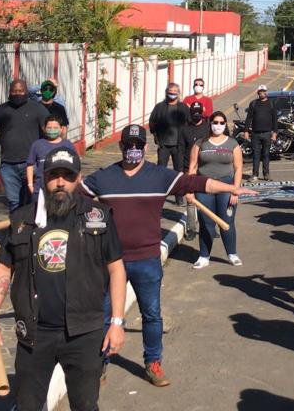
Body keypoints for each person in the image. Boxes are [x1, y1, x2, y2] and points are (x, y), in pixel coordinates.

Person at [79, 124, 254, 387]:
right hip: (112, 261)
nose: (133, 150)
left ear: (145, 148)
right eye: (129, 145)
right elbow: (74, 194)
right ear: (121, 147)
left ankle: (153, 363)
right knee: (104, 315)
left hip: (147, 259)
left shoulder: (159, 176)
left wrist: (230, 189)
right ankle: (100, 364)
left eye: (138, 146)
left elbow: (197, 182)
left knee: (152, 315)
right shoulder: (104, 178)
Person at [0, 148, 126, 411]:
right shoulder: (23, 220)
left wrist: (116, 322)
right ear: (43, 178)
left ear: (78, 178)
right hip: (35, 333)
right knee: (27, 405)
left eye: (67, 176)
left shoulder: (99, 217)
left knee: (85, 405)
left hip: (83, 332)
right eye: (54, 175)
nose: (60, 182)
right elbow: (3, 271)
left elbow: (116, 269)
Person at [0, 79, 50, 211]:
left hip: (31, 164)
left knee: (32, 199)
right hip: (8, 165)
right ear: (9, 92)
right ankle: (16, 223)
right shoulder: (1, 110)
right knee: (14, 201)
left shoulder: (38, 109)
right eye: (14, 91)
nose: (18, 94)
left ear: (26, 91)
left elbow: (49, 131)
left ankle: (30, 223)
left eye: (21, 91)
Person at [188, 110, 246, 268]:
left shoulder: (232, 144)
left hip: (226, 187)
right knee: (206, 223)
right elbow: (192, 167)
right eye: (215, 122)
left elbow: (238, 168)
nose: (218, 125)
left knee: (227, 221)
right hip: (204, 187)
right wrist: (189, 189)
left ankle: (232, 254)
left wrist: (235, 189)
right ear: (210, 124)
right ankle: (204, 256)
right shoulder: (200, 144)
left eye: (221, 123)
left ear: (225, 124)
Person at [179, 101, 212, 241]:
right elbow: (180, 151)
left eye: (199, 112)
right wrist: (181, 171)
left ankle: (210, 228)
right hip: (189, 169)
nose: (196, 115)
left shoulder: (208, 128)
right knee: (191, 201)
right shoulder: (184, 130)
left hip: (206, 168)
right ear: (190, 114)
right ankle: (192, 228)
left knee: (208, 200)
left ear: (202, 114)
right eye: (194, 113)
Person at [25, 116, 76, 198]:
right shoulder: (37, 145)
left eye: (55, 128)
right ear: (44, 129)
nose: (52, 130)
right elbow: (30, 165)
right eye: (49, 128)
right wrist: (30, 185)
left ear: (61, 129)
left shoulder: (68, 145)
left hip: (61, 190)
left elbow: (76, 166)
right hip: (40, 190)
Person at [148, 82, 191, 172]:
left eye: (175, 91)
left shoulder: (183, 107)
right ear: (166, 92)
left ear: (178, 93)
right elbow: (152, 122)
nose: (173, 93)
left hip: (178, 146)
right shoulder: (159, 107)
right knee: (161, 169)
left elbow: (189, 122)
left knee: (179, 170)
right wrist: (156, 137)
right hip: (163, 145)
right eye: (170, 91)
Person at [244, 85, 277, 181]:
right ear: (258, 92)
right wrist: (246, 131)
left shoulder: (271, 103)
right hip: (255, 134)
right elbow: (249, 118)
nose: (262, 93)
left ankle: (266, 174)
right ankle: (255, 174)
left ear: (266, 92)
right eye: (260, 91)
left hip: (267, 133)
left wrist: (275, 133)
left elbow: (275, 119)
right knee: (256, 155)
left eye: (264, 91)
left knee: (266, 154)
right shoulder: (253, 103)